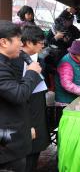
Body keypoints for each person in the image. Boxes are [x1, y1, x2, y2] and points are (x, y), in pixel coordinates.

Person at [0, 20, 42, 172]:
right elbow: (19, 95)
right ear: (4, 42)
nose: (21, 44)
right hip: (7, 142)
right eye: (18, 39)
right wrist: (32, 72)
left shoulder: (7, 62)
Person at [10, 25, 50, 172]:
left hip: (37, 111)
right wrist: (27, 124)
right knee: (25, 158)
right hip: (27, 116)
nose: (42, 45)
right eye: (40, 42)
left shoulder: (32, 59)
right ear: (28, 42)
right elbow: (18, 94)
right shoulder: (15, 63)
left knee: (34, 154)